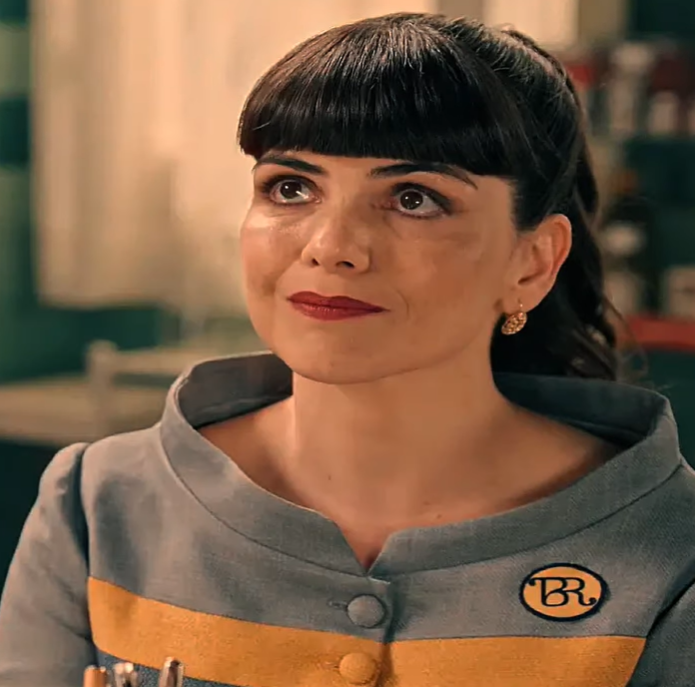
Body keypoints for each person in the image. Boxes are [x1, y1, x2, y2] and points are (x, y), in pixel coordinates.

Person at [0, 12, 693, 687]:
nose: (330, 247)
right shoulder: (96, 504)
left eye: (414, 198)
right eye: (290, 188)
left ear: (532, 262)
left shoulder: (673, 552)